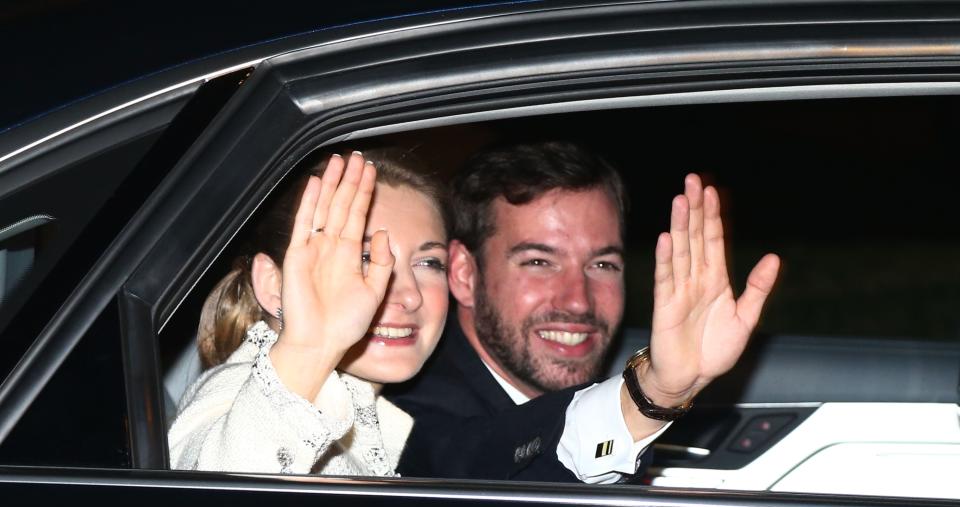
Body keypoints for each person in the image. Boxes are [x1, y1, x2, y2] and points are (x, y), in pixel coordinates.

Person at [387, 141, 780, 483]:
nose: (578, 300)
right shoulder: (404, 404)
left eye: (602, 265)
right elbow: (469, 467)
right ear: (465, 273)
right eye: (539, 262)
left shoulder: (584, 390)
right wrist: (653, 394)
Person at [168, 149, 449, 476]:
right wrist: (310, 349)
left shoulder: (381, 424)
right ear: (274, 284)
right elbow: (205, 504)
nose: (411, 296)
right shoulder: (235, 394)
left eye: (429, 263)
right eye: (364, 257)